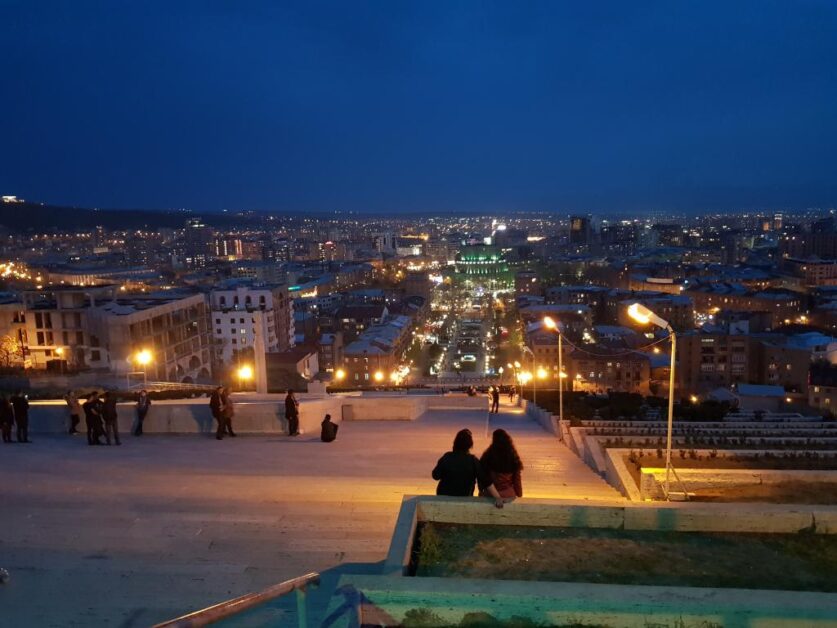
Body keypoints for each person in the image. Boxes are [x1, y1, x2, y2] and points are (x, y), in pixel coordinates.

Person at [432, 428, 504, 508]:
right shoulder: (473, 461)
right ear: (470, 445)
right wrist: (498, 497)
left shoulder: (447, 457)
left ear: (455, 443)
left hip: (443, 497)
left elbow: (435, 476)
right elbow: (486, 481)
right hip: (464, 498)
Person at [480, 429, 523, 501]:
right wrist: (519, 494)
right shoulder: (513, 457)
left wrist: (481, 491)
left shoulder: (488, 456)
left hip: (490, 495)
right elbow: (517, 481)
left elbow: (482, 477)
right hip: (508, 495)